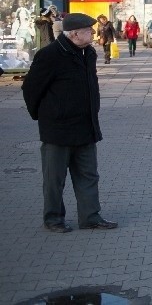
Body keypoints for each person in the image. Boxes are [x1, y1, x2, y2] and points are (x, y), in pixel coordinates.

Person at [21, 13, 118, 233]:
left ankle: (90, 216)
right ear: (74, 33)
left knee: (88, 176)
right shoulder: (50, 55)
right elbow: (31, 89)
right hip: (58, 130)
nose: (93, 33)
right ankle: (53, 219)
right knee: (55, 179)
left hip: (86, 127)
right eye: (89, 30)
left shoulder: (88, 53)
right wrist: (45, 117)